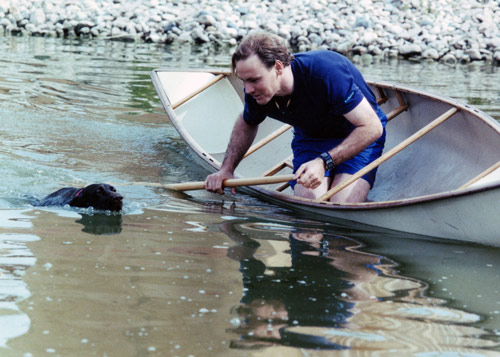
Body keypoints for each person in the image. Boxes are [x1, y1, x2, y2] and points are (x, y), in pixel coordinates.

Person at [205, 32, 387, 203]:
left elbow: (372, 127)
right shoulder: (256, 92)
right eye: (243, 81)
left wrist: (324, 161)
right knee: (310, 207)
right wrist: (226, 169)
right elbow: (247, 121)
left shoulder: (324, 72)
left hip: (357, 133)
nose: (248, 89)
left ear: (277, 67)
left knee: (341, 204)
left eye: (254, 80)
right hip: (312, 138)